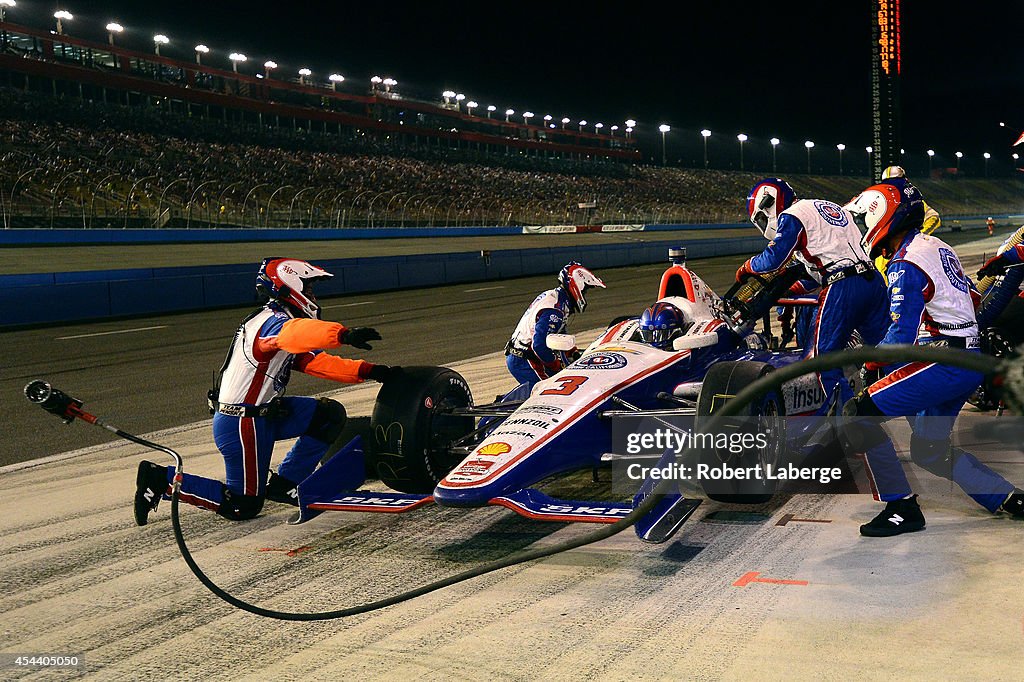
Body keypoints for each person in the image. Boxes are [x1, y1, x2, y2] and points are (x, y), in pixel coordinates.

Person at [133, 258, 394, 525]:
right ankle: (160, 479)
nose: (313, 294)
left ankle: (285, 484)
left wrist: (372, 371)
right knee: (243, 506)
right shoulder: (273, 323)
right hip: (241, 424)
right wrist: (342, 335)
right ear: (291, 285)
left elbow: (314, 361)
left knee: (328, 414)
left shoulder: (276, 321)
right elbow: (294, 334)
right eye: (309, 287)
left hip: (264, 416)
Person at [843, 179, 1024, 536]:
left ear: (883, 214)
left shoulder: (904, 263)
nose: (865, 227)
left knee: (857, 416)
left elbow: (900, 338)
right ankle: (1008, 498)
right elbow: (972, 299)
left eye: (866, 218)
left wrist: (868, 362)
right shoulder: (937, 246)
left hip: (943, 363)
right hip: (967, 359)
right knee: (930, 450)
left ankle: (901, 507)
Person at [736, 177, 889, 409]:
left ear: (768, 202)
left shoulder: (792, 214)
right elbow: (823, 267)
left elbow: (774, 258)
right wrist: (791, 291)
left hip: (844, 287)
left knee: (822, 362)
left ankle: (854, 422)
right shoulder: (828, 208)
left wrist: (747, 267)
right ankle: (923, 421)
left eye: (760, 217)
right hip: (873, 282)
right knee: (890, 353)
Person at [505, 261, 605, 387]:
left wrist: (572, 352)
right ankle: (500, 404)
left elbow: (557, 334)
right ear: (578, 285)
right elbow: (539, 346)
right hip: (525, 359)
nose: (584, 295)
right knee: (552, 390)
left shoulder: (558, 298)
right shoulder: (555, 310)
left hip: (525, 356)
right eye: (585, 291)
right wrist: (556, 365)